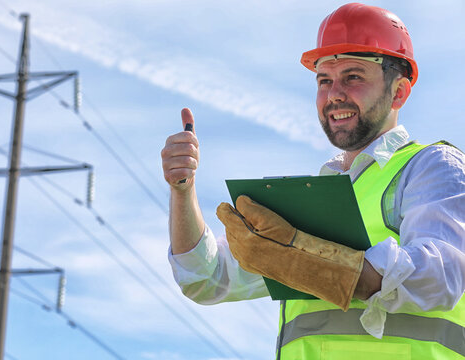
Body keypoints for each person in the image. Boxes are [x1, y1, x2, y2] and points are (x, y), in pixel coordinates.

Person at [161, 3, 465, 359]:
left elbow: (440, 275)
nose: (334, 93)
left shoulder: (430, 166)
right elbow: (206, 279)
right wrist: (183, 190)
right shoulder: (312, 199)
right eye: (324, 80)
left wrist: (318, 264)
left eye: (353, 76)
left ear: (398, 92)